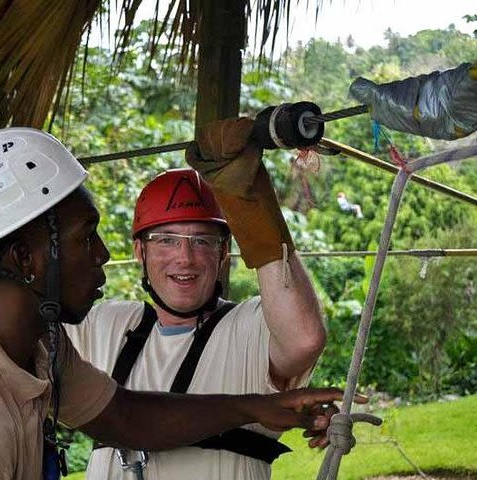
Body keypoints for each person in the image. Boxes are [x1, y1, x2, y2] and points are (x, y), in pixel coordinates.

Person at [0, 127, 355, 480]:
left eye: (202, 242)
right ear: (22, 259)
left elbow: (124, 416)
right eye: (86, 238)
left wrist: (261, 407)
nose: (103, 254)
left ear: (224, 253)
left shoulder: (34, 346)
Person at [66, 117, 327, 479]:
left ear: (223, 254)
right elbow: (5, 338)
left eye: (202, 241)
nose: (185, 258)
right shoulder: (107, 324)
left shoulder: (250, 328)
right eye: (167, 240)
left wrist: (252, 206)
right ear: (140, 252)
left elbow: (304, 338)